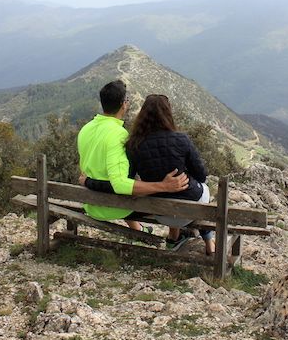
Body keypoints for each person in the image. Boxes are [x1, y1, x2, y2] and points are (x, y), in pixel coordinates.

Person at [84, 93, 215, 255]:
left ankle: (174, 236)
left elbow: (128, 181)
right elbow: (202, 176)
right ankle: (209, 242)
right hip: (188, 210)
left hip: (159, 212)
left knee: (170, 196)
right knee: (204, 190)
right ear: (168, 113)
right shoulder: (182, 139)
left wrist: (88, 182)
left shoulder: (134, 144)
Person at [76, 80, 188, 232]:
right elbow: (120, 184)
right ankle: (174, 238)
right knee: (165, 192)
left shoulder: (86, 129)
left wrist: (88, 182)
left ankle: (140, 230)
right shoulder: (118, 135)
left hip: (90, 203)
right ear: (124, 104)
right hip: (113, 206)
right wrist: (164, 185)